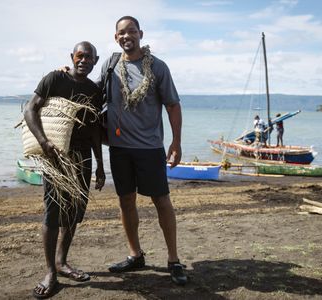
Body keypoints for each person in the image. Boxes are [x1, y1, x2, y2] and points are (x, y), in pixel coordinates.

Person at [97, 16, 187, 285]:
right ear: (116, 37)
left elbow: (173, 105)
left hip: (150, 148)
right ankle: (135, 255)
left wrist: (176, 142)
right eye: (122, 33)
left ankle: (173, 259)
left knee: (161, 201)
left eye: (132, 31)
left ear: (141, 34)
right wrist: (66, 76)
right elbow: (92, 93)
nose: (127, 36)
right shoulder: (110, 65)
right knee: (126, 201)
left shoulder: (157, 67)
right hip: (119, 148)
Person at [24, 41, 105, 299]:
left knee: (74, 213)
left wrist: (101, 166)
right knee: (53, 210)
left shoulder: (94, 90)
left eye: (89, 57)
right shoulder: (54, 79)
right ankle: (50, 272)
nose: (83, 60)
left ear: (95, 60)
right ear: (72, 57)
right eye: (79, 56)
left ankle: (61, 261)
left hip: (81, 160)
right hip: (56, 157)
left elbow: (94, 130)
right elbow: (30, 109)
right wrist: (44, 142)